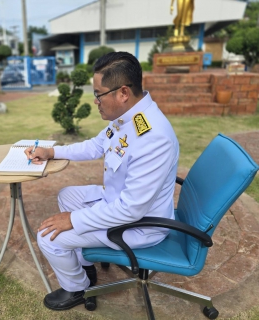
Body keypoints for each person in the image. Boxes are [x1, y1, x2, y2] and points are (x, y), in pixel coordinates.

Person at [24, 51, 179, 311]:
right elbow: (97, 145)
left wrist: (73, 220)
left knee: (47, 237)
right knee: (66, 195)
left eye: (99, 94)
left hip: (139, 224)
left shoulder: (153, 137)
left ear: (123, 92)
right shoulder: (129, 116)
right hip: (120, 202)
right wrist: (52, 152)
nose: (95, 101)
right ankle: (84, 261)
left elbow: (131, 210)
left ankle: (77, 288)